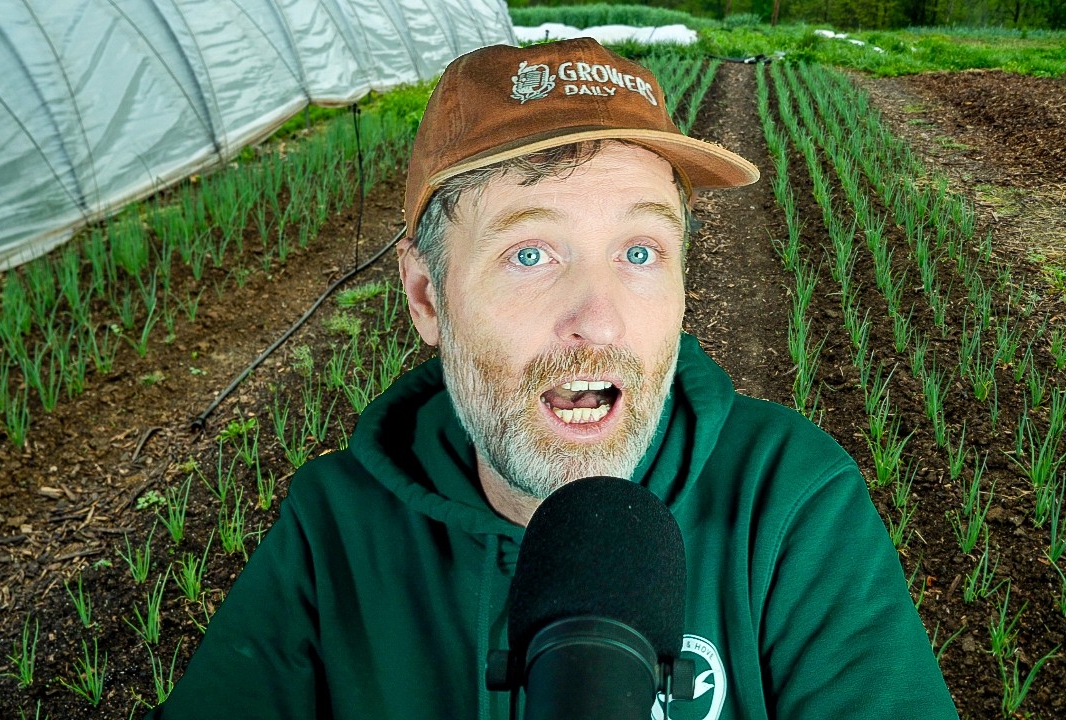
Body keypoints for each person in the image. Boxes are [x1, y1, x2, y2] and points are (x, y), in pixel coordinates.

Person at [149, 38, 958, 719]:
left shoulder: (788, 504)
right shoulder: (335, 531)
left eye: (641, 252)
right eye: (530, 254)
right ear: (427, 295)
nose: (599, 321)